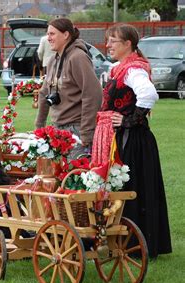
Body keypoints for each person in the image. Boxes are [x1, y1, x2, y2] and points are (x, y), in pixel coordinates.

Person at [101, 23, 172, 258]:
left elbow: (149, 94)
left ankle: (135, 243)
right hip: (123, 137)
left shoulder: (134, 69)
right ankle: (126, 240)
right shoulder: (118, 68)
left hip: (134, 139)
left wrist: (129, 121)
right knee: (123, 187)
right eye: (108, 40)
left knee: (132, 188)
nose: (108, 45)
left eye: (113, 41)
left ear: (128, 44)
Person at [35, 18, 102, 159]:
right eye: (48, 34)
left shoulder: (78, 57)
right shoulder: (54, 59)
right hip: (57, 129)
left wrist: (86, 132)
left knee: (73, 177)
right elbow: (44, 93)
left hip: (76, 130)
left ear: (66, 35)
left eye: (52, 34)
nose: (48, 38)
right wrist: (39, 127)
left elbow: (92, 94)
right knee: (57, 176)